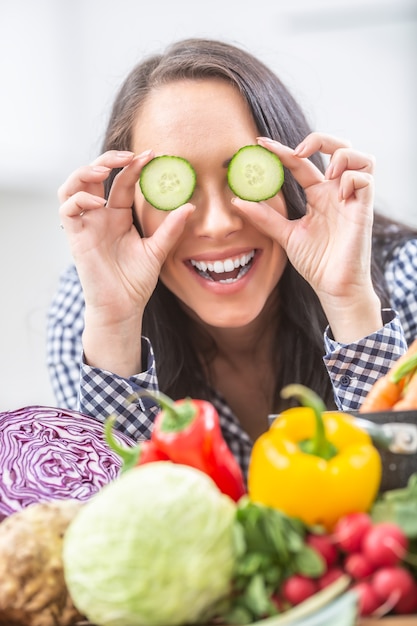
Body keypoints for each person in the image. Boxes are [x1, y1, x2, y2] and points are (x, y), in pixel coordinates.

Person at [47, 38, 417, 478]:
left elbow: (401, 518)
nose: (218, 223)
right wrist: (114, 325)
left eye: (246, 175)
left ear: (294, 178)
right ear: (126, 203)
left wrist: (350, 300)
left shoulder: (405, 278)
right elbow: (115, 528)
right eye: (172, 186)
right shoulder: (86, 313)